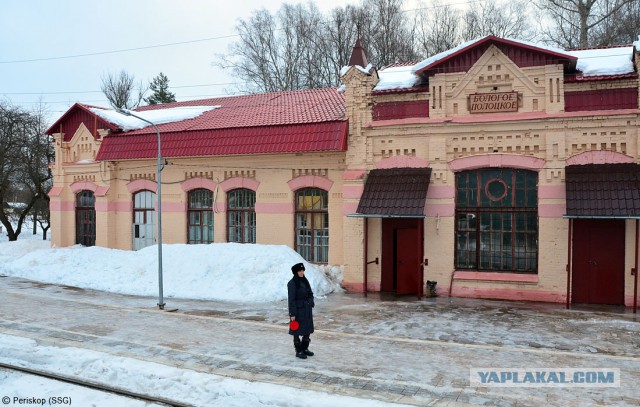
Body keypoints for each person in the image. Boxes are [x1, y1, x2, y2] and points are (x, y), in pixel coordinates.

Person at [287, 262, 315, 359]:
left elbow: (310, 293)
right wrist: (292, 313)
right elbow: (291, 300)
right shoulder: (292, 283)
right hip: (298, 310)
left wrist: (310, 302)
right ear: (296, 272)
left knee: (307, 329)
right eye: (300, 271)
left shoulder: (305, 281)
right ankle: (298, 351)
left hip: (307, 309)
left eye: (303, 270)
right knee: (296, 331)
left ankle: (305, 348)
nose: (302, 272)